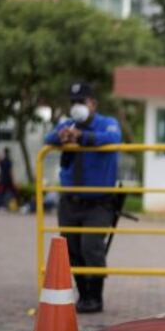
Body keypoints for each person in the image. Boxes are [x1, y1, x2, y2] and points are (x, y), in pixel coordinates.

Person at [44, 82, 122, 314]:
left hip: (98, 202)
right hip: (70, 201)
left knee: (91, 247)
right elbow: (48, 138)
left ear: (93, 104)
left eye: (81, 101)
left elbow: (113, 137)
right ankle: (83, 295)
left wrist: (84, 137)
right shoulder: (67, 124)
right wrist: (62, 136)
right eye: (73, 102)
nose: (77, 106)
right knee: (72, 249)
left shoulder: (107, 123)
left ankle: (95, 297)